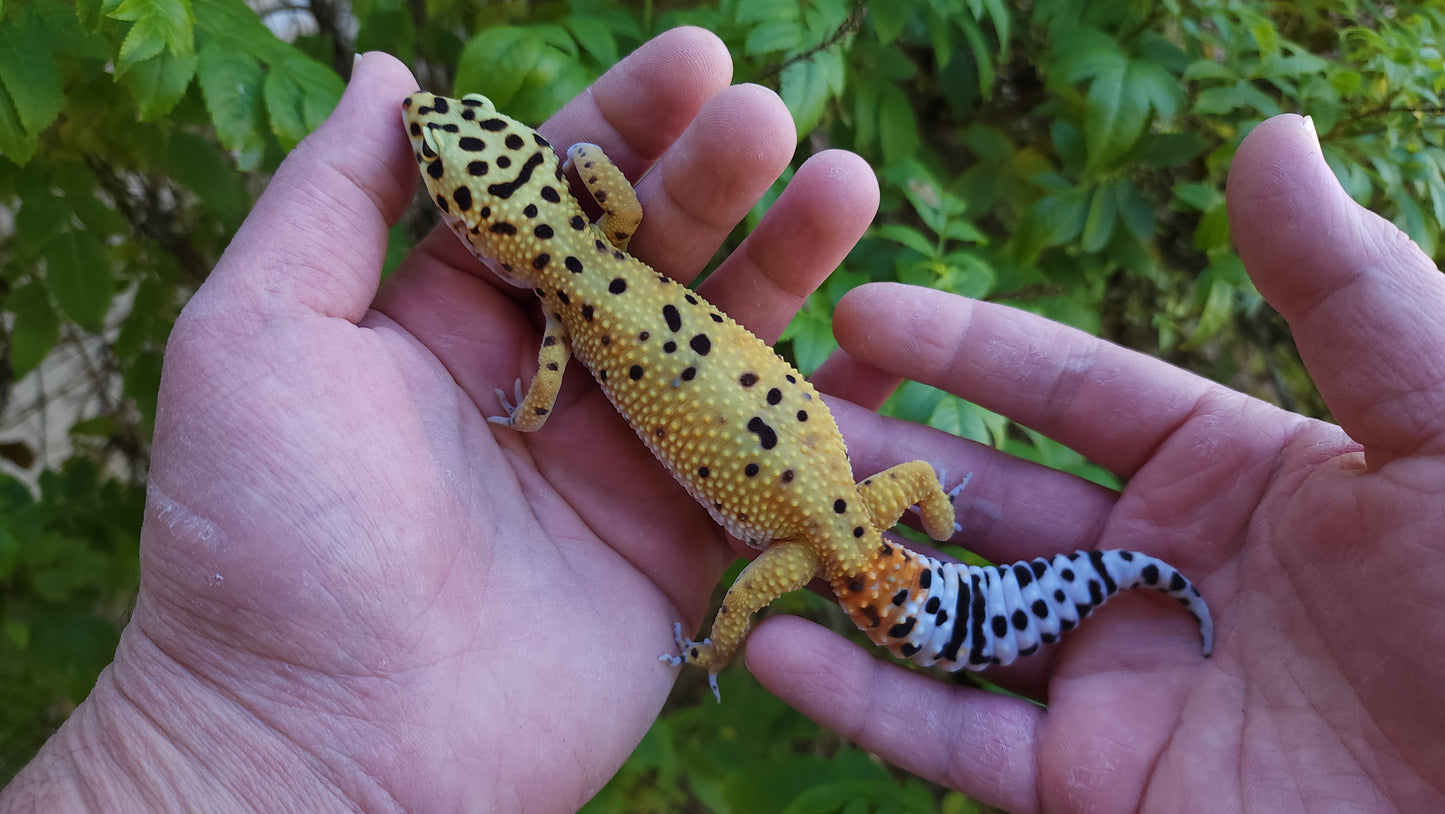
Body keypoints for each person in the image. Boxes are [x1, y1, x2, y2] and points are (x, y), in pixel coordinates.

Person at [3, 26, 1441, 813]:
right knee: (911, 538)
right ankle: (1084, 575)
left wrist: (712, 613)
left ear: (485, 224)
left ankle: (1046, 586)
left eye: (458, 163)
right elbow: (612, 205)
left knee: (774, 589)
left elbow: (545, 394)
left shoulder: (564, 318)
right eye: (458, 163)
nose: (445, 156)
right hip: (834, 496)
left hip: (810, 526)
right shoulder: (607, 245)